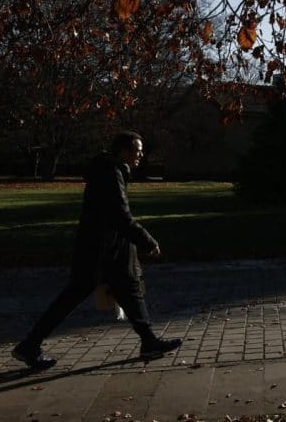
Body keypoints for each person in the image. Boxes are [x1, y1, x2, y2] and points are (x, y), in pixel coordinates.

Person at [12, 131, 181, 370]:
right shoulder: (112, 172)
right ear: (123, 151)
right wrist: (147, 240)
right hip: (101, 250)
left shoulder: (108, 170)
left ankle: (148, 340)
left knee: (129, 291)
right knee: (73, 296)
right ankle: (29, 344)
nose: (141, 155)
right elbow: (120, 215)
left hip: (106, 248)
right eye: (137, 150)